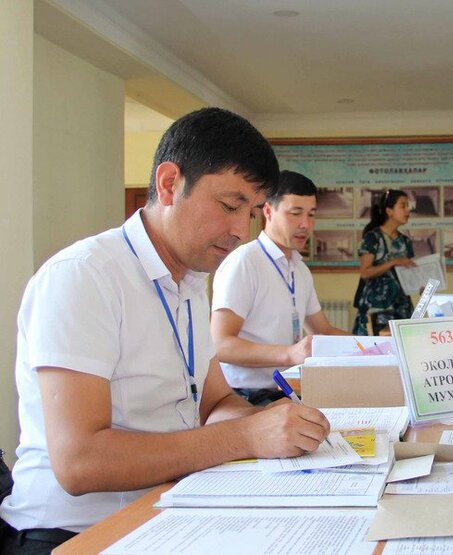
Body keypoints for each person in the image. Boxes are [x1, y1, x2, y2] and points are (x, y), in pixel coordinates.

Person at [0, 108, 331, 553]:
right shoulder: (84, 276)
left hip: (166, 509)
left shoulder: (190, 283)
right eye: (230, 206)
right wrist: (245, 436)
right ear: (170, 183)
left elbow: (215, 401)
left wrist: (276, 426)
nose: (239, 230)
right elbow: (79, 463)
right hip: (73, 534)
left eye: (251, 213)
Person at [211, 170, 350, 405]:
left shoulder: (299, 268)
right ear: (268, 211)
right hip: (243, 396)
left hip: (286, 392)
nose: (305, 225)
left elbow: (323, 330)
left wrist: (379, 346)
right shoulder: (245, 262)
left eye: (311, 215)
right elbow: (220, 344)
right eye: (295, 214)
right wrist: (289, 354)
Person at [352, 189, 415, 335]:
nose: (408, 210)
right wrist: (392, 262)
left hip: (401, 306)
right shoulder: (372, 238)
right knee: (374, 350)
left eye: (408, 206)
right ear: (389, 211)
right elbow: (365, 272)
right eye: (403, 206)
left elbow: (407, 274)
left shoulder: (405, 241)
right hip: (377, 308)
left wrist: (420, 282)